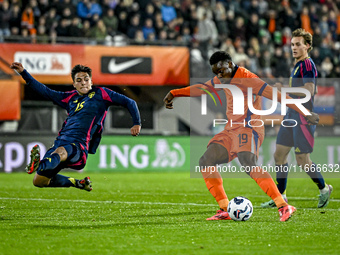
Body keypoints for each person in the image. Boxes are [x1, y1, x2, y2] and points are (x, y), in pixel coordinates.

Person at [163, 51, 319, 222]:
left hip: (249, 128)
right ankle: (224, 209)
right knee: (205, 161)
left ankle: (283, 206)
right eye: (216, 73)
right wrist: (175, 93)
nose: (219, 76)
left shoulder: (249, 79)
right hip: (231, 130)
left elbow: (278, 96)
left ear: (230, 64)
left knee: (247, 162)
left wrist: (304, 112)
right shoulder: (223, 78)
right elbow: (203, 89)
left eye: (221, 71)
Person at [10, 62, 141, 191]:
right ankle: (77, 182)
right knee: (39, 181)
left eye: (86, 79)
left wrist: (137, 123)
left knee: (60, 152)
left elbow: (130, 102)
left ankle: (39, 164)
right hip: (60, 143)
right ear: (74, 84)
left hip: (78, 146)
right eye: (79, 80)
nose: (83, 82)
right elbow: (45, 91)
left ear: (91, 81)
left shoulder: (101, 94)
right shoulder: (70, 98)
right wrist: (24, 73)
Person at [261, 28, 333, 209]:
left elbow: (310, 90)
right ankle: (281, 197)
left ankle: (324, 189)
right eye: (292, 44)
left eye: (298, 44)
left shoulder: (308, 65)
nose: (294, 47)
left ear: (307, 46)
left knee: (302, 160)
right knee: (279, 155)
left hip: (303, 117)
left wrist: (283, 88)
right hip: (291, 115)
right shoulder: (298, 65)